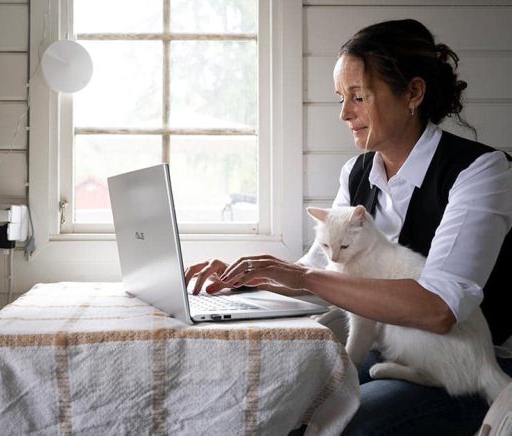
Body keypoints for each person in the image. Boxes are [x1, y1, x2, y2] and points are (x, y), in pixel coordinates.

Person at [184, 19, 512, 435]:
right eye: (341, 98)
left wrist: (304, 277)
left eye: (358, 97)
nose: (344, 113)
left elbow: (439, 308)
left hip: (467, 370)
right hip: (390, 359)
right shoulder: (356, 173)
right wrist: (245, 278)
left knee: (346, 422)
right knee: (268, 405)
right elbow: (316, 274)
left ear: (412, 93)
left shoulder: (480, 170)